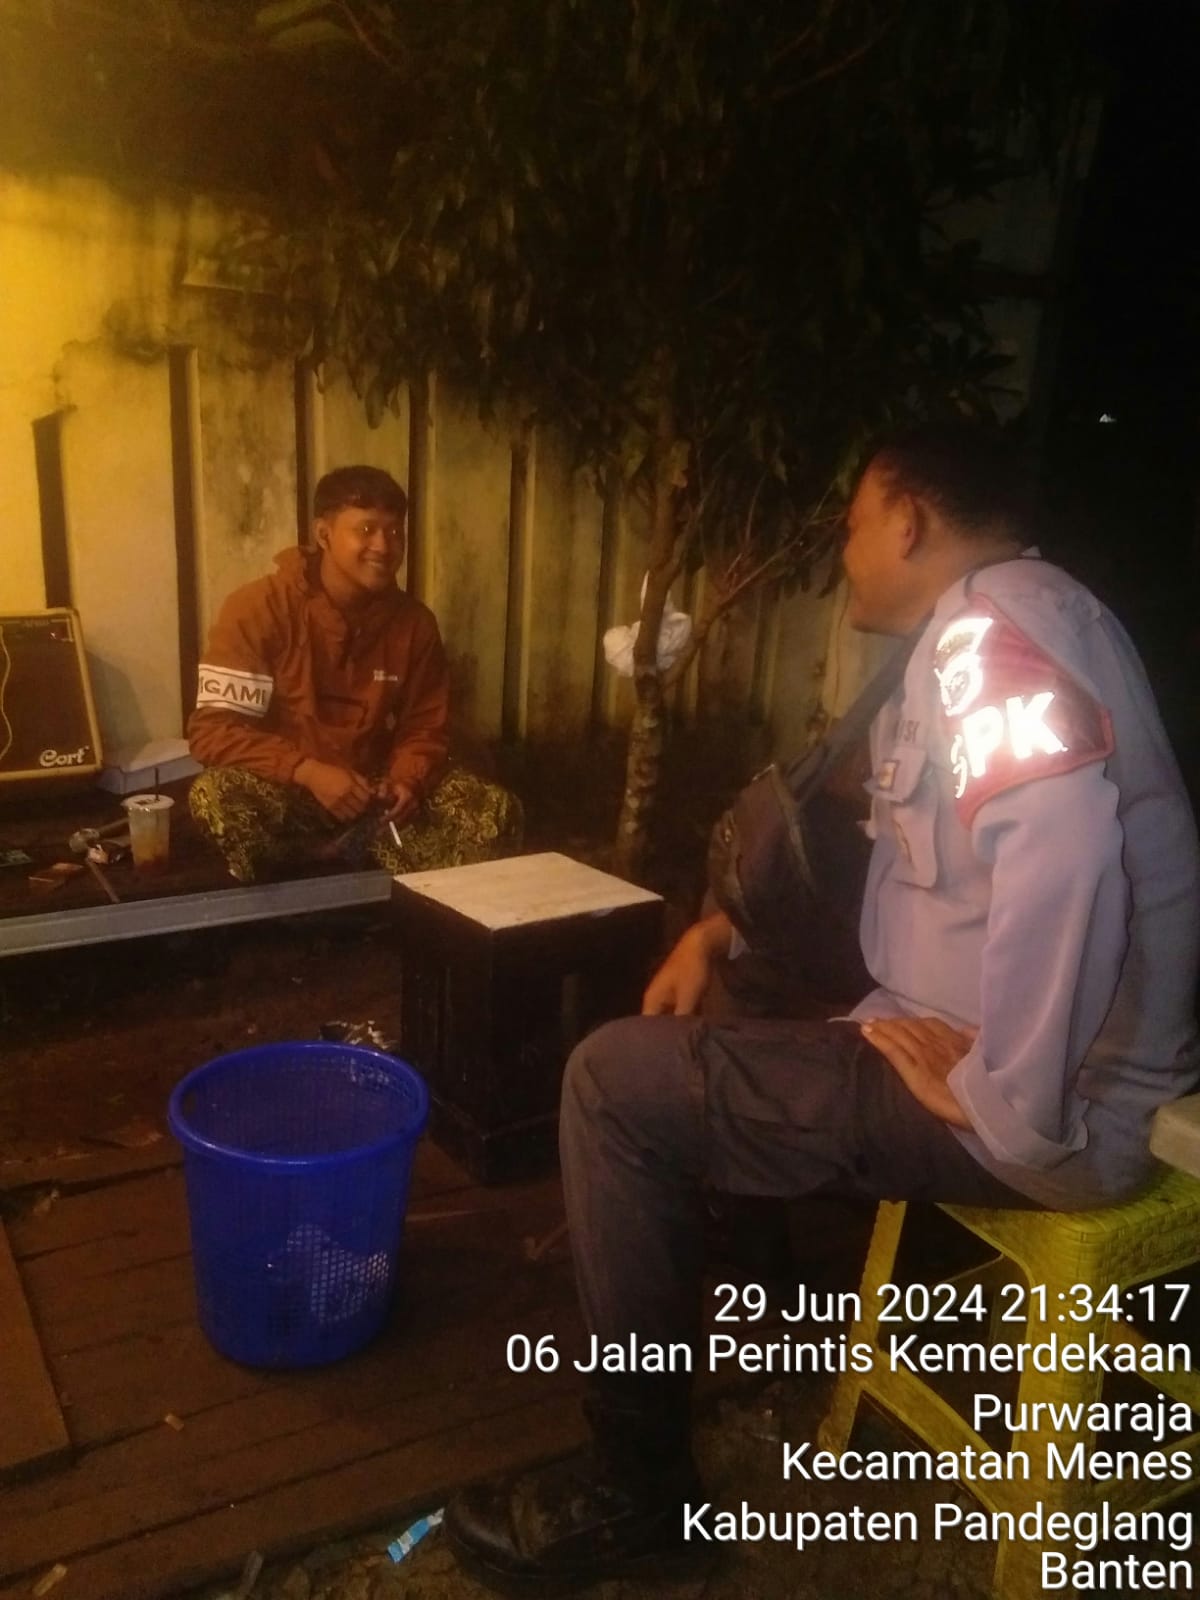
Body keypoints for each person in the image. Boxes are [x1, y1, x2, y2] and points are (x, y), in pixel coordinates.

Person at [443, 423, 1200, 1593]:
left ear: (910, 522)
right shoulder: (999, 622)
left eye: (852, 527)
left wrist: (1005, 1100)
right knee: (729, 995)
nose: (842, 554)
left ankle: (637, 1493)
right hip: (968, 1024)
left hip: (1058, 1106)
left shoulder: (987, 639)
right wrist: (719, 931)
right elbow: (877, 853)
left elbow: (1065, 853)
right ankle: (759, 1269)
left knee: (613, 1087)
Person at [187, 465, 521, 882]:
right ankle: (309, 878)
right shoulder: (259, 608)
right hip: (289, 789)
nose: (383, 546)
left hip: (372, 799)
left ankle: (369, 862)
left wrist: (405, 782)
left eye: (394, 532)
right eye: (366, 530)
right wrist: (307, 771)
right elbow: (213, 731)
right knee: (216, 796)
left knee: (493, 810)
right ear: (324, 535)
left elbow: (425, 728)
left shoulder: (414, 624)